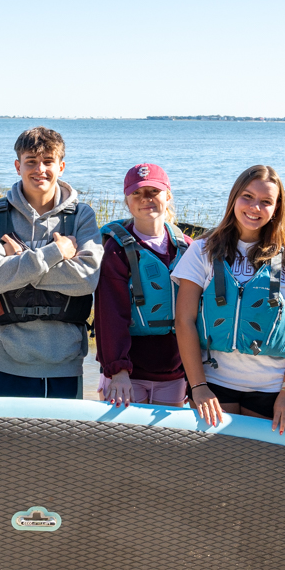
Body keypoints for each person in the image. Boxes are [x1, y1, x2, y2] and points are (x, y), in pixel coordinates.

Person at [173, 165, 285, 433]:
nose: (255, 207)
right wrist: (198, 386)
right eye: (247, 197)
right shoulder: (203, 251)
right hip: (214, 385)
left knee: (258, 472)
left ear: (277, 209)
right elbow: (184, 320)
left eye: (266, 202)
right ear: (234, 198)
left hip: (270, 390)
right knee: (215, 469)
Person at [0, 127, 103, 398]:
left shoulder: (81, 216)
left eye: (48, 162)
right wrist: (57, 252)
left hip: (65, 365)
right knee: (4, 442)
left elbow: (86, 279)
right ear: (17, 166)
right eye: (30, 161)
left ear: (61, 166)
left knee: (62, 442)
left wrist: (19, 259)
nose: (39, 169)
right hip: (5, 362)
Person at [95, 163, 191, 407]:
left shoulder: (187, 248)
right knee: (124, 445)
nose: (145, 199)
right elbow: (110, 315)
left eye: (153, 192)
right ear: (127, 201)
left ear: (168, 196)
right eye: (136, 193)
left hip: (175, 373)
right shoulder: (115, 251)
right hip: (129, 375)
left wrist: (196, 377)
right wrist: (117, 371)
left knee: (166, 444)